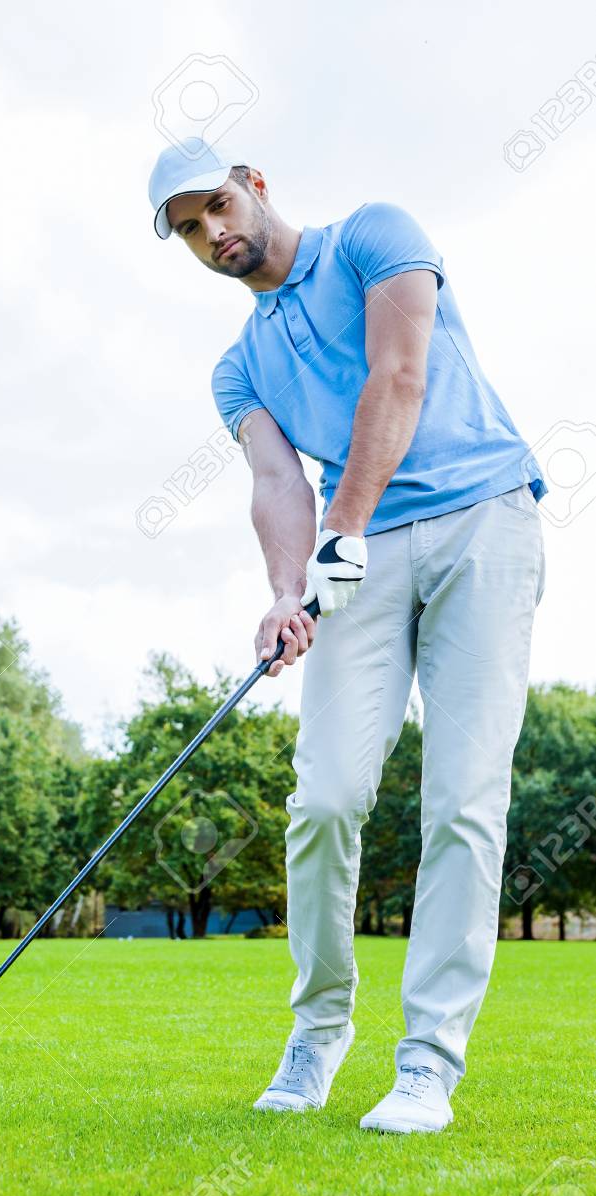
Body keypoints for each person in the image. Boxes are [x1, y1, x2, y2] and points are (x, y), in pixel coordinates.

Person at [148, 137, 545, 1133]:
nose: (214, 234)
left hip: (479, 518)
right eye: (191, 231)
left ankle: (425, 1066)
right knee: (323, 799)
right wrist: (289, 591)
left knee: (460, 801)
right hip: (355, 550)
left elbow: (397, 377)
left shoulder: (377, 234)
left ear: (254, 182)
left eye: (217, 207)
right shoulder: (238, 367)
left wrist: (344, 532)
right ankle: (318, 1032)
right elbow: (277, 480)